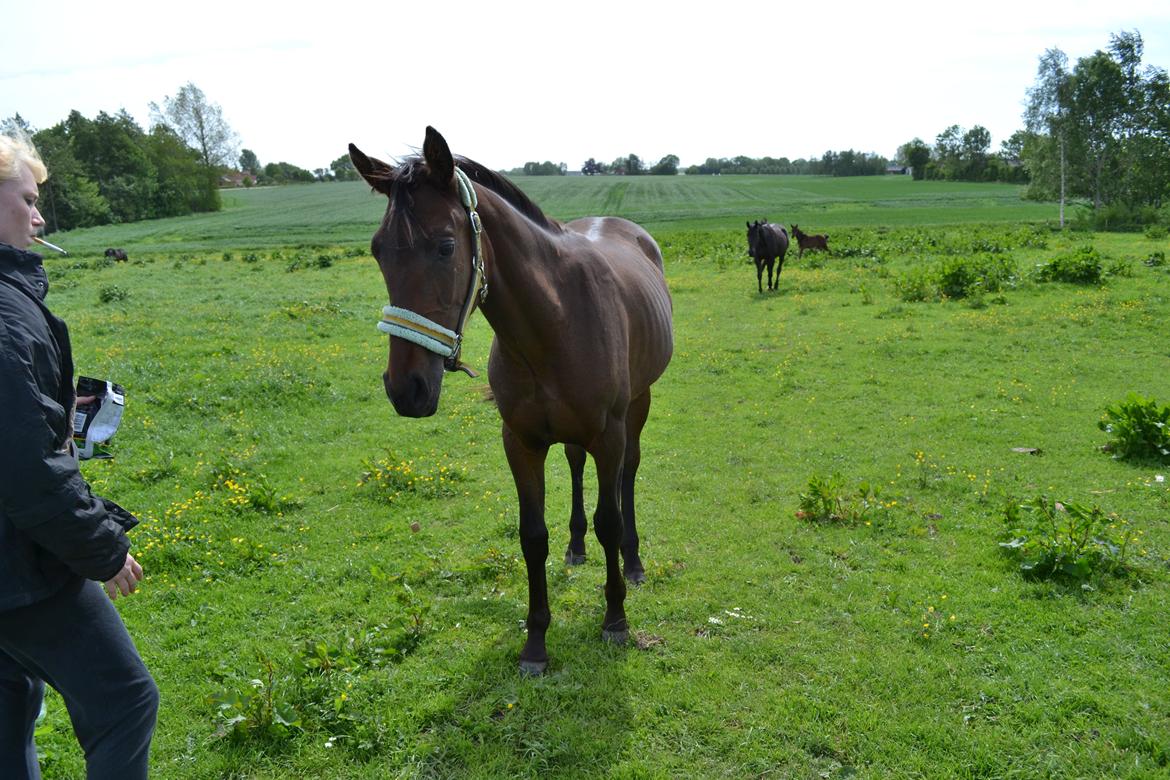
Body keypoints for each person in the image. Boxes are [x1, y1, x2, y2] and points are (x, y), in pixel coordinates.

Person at [0, 132, 158, 777]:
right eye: (29, 201)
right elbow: (23, 463)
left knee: (10, 702)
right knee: (123, 700)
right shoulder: (5, 316)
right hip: (16, 564)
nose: (40, 218)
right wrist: (100, 546)